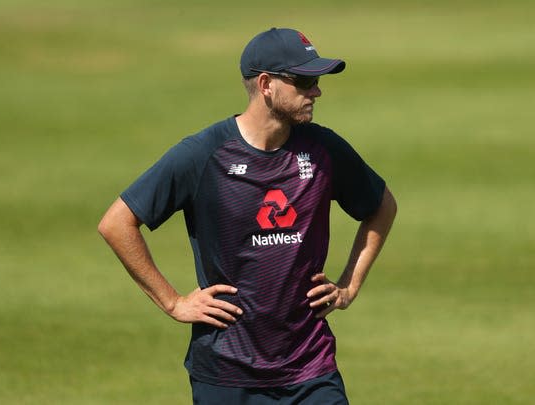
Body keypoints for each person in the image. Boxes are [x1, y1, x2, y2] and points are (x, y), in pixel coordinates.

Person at [98, 27, 397, 404]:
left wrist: (349, 285)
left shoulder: (323, 150)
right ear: (266, 84)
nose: (316, 91)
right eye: (304, 80)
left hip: (311, 370)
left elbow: (381, 206)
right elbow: (116, 223)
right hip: (226, 375)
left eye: (317, 80)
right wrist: (173, 302)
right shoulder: (204, 154)